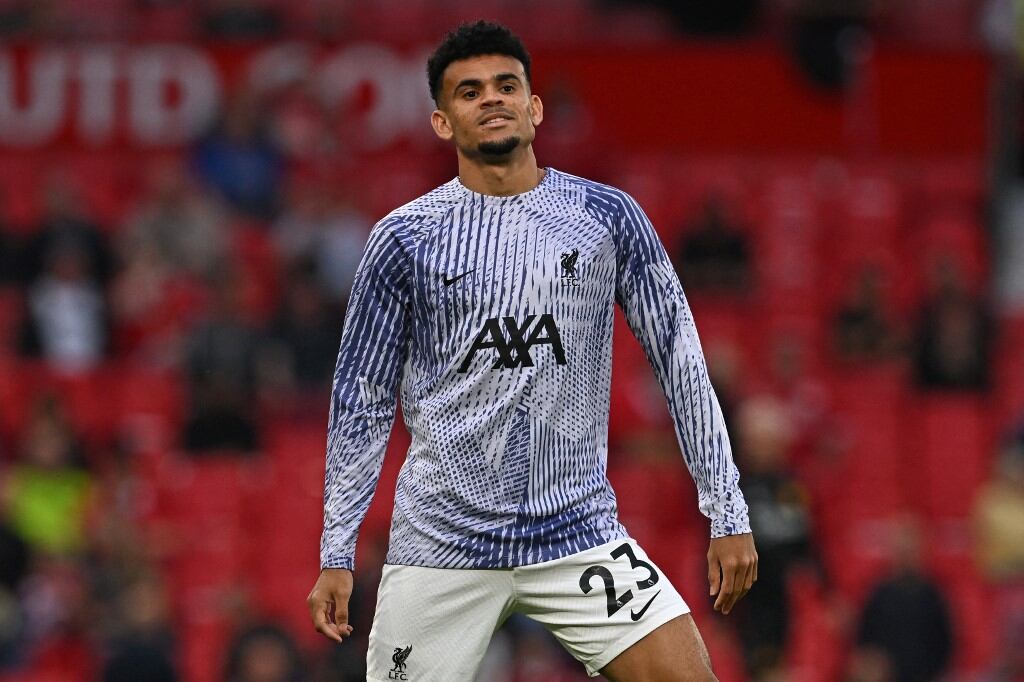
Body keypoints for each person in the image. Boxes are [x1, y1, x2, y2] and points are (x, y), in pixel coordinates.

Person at [306, 21, 757, 681]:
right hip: (439, 546)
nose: (491, 99)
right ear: (441, 121)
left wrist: (728, 508)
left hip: (577, 533)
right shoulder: (403, 240)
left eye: (506, 85)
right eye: (468, 91)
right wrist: (337, 551)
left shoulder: (608, 217)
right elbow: (361, 402)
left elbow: (681, 361)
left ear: (534, 107)